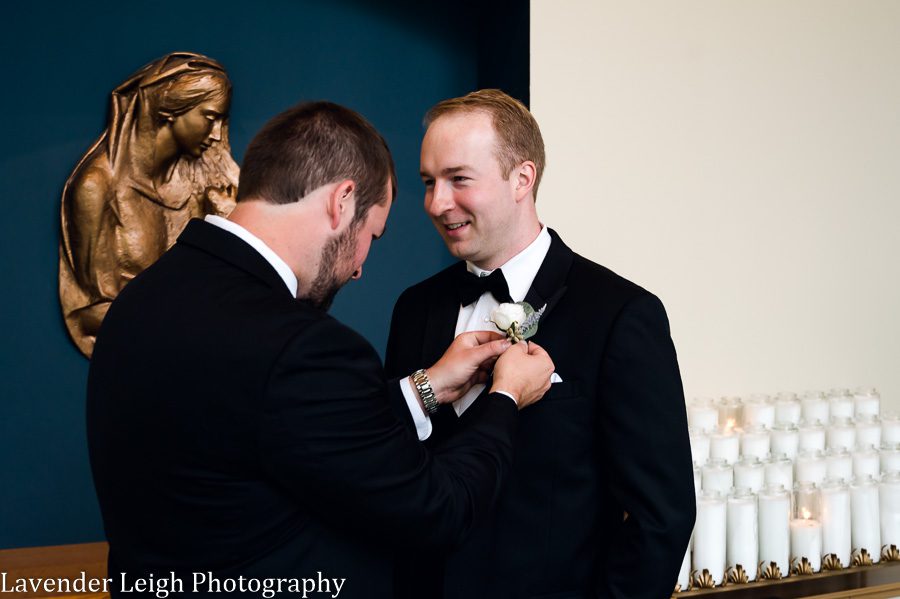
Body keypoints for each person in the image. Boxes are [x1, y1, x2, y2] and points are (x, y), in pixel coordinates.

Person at [86, 100, 555, 598]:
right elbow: (439, 510)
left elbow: (286, 431)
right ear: (341, 201)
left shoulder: (140, 300)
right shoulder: (303, 345)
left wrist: (426, 388)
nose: (358, 268)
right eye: (371, 235)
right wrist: (505, 397)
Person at [385, 89, 696, 598]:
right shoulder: (414, 308)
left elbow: (661, 517)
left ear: (522, 179)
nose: (437, 204)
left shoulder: (620, 314)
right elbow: (390, 470)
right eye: (429, 182)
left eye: (459, 179)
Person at [60, 52, 239, 357]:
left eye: (223, 121)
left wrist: (228, 223)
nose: (216, 135)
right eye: (210, 118)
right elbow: (92, 312)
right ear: (171, 108)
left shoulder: (209, 182)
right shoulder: (97, 188)